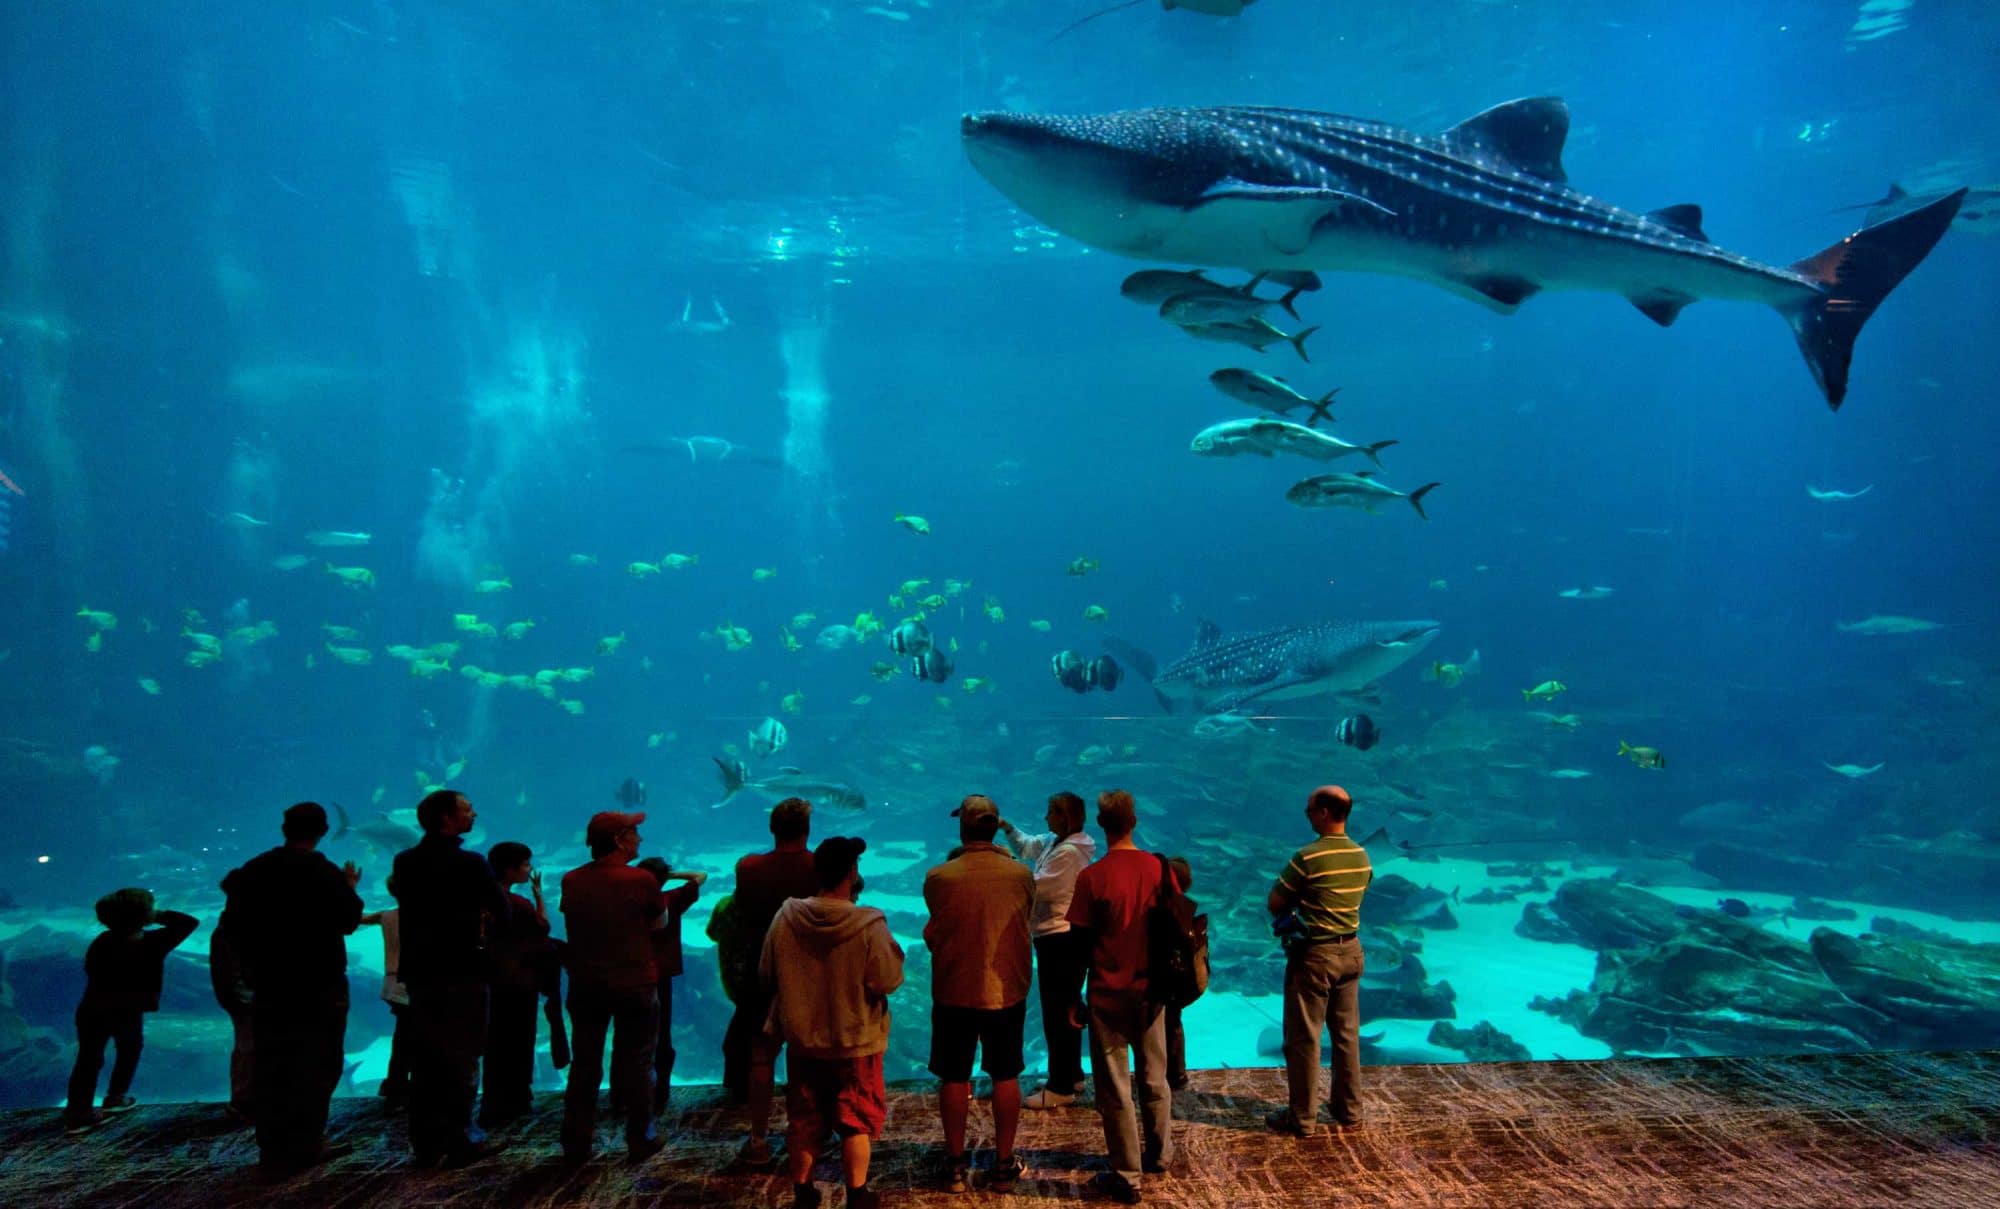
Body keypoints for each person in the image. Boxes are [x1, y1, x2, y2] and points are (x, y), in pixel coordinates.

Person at [219, 801, 364, 1176]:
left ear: (284, 828)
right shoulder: (324, 872)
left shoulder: (254, 871)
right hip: (320, 984)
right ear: (321, 831)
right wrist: (349, 888)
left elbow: (230, 927)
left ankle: (273, 1148)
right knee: (319, 1063)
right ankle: (308, 1142)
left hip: (270, 985)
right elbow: (349, 921)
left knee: (273, 1065)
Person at [762, 836, 902, 1209]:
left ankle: (803, 1194)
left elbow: (766, 972)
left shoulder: (786, 916)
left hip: (804, 1042)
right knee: (855, 1120)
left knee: (804, 1121)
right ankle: (857, 1196)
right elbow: (886, 980)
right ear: (852, 872)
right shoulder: (869, 922)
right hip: (856, 1042)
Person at [1065, 789, 1174, 1205]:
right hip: (1152, 993)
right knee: (1154, 1077)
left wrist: (1074, 996)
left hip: (1107, 994)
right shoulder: (1160, 868)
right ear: (1135, 821)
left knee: (1114, 1089)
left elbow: (1078, 943)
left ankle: (1127, 1175)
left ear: (1101, 824)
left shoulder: (1092, 877)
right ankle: (1160, 1154)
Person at [391, 789, 509, 1167]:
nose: (473, 813)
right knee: (462, 1056)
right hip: (463, 971)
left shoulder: (405, 862)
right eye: (466, 809)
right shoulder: (472, 863)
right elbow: (502, 912)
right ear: (447, 819)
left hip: (421, 974)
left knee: (426, 1058)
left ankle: (424, 1142)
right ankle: (462, 1138)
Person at [923, 795, 1034, 1193]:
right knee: (1006, 1074)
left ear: (962, 828)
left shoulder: (940, 877)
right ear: (994, 826)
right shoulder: (1020, 875)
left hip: (954, 989)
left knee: (954, 1077)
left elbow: (938, 928)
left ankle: (954, 1166)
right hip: (1005, 990)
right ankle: (1004, 1165)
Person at [558, 810, 667, 1164]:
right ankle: (641, 1137)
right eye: (634, 833)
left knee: (585, 1064)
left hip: (586, 983)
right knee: (637, 1063)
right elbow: (658, 923)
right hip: (634, 982)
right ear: (619, 839)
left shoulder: (571, 880)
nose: (640, 839)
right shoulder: (641, 880)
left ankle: (576, 1141)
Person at [715, 796, 818, 1166]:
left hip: (763, 971)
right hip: (809, 973)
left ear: (772, 829)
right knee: (808, 1058)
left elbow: (741, 914)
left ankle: (757, 1138)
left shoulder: (748, 867)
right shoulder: (817, 867)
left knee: (761, 1057)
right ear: (807, 831)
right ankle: (805, 1135)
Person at [1265, 784, 1372, 1137]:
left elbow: (1276, 902)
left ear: (1325, 813)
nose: (1307, 815)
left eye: (1309, 810)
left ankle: (1302, 1117)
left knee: (1304, 1037)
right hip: (1352, 952)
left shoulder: (1307, 856)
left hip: (1315, 956)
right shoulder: (1361, 855)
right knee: (1346, 1036)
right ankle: (1349, 1110)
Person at [62, 888, 198, 1134]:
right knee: (129, 1049)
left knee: (89, 1058)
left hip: (94, 1007)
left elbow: (91, 970)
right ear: (144, 915)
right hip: (127, 1010)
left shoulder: (102, 942)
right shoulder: (153, 942)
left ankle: (78, 1111)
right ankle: (115, 1097)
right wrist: (157, 915)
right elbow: (188, 922)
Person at [999, 790, 1096, 1110]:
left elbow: (1038, 886)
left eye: (1052, 812)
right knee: (1065, 1006)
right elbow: (1029, 845)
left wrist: (1004, 865)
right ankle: (1072, 1073)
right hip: (1054, 936)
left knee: (1058, 1012)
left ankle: (1061, 1087)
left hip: (1062, 937)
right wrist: (1007, 827)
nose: (1045, 817)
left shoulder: (1070, 853)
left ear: (1067, 817)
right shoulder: (1057, 842)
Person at [482, 841, 553, 1126]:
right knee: (519, 1040)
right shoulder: (516, 903)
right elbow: (543, 927)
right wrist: (538, 897)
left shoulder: (483, 900)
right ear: (510, 870)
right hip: (518, 982)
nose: (529, 869)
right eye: (525, 864)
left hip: (491, 980)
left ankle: (493, 1100)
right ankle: (516, 1099)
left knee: (495, 1042)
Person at [635, 855, 706, 1115]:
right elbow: (700, 876)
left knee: (631, 1034)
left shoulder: (630, 904)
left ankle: (627, 1094)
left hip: (633, 974)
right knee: (662, 1033)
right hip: (661, 975)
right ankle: (661, 1093)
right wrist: (671, 876)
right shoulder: (671, 899)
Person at [357, 884, 411, 1107]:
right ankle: (404, 1087)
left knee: (403, 1036)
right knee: (418, 1036)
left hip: (391, 982)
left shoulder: (386, 915)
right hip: (412, 983)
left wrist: (349, 889)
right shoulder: (427, 918)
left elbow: (360, 918)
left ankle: (395, 1085)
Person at [207, 913, 255, 1125]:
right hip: (245, 999)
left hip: (245, 997)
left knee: (248, 1049)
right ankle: (244, 1103)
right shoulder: (234, 928)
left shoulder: (230, 926)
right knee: (250, 1049)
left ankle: (246, 1101)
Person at [1163, 856, 1194, 1093]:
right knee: (1173, 1023)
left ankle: (1170, 1075)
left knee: (1167, 1023)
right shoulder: (1187, 907)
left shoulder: (1169, 909)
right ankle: (1177, 1075)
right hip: (1181, 978)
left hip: (1168, 977)